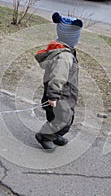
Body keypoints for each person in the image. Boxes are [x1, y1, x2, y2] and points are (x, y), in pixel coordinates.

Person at [35, 12, 83, 150]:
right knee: (64, 120)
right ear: (72, 37)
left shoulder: (60, 50)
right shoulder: (65, 57)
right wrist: (53, 95)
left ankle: (54, 135)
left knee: (54, 116)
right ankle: (44, 136)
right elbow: (58, 76)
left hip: (57, 93)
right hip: (61, 95)